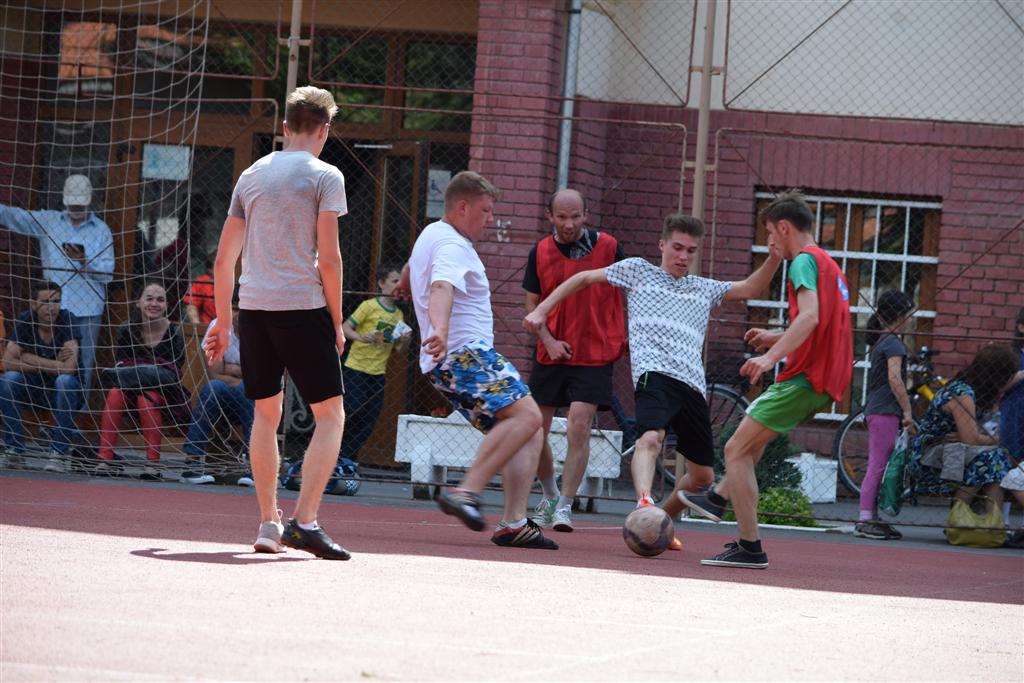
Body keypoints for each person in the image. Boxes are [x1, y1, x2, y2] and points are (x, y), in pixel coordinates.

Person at [524, 213, 782, 549]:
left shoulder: (703, 288)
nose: (683, 256)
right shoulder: (638, 271)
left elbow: (750, 287)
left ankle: (660, 522)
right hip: (654, 374)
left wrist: (774, 257)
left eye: (691, 251)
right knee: (650, 439)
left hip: (692, 385)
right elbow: (584, 277)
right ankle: (644, 504)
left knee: (702, 478)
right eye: (677, 247)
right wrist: (542, 309)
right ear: (662, 245)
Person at [204, 85, 350, 560]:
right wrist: (336, 320)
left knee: (265, 415)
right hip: (301, 307)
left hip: (254, 309)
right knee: (331, 415)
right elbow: (329, 258)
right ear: (324, 130)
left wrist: (223, 322)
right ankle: (304, 522)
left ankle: (270, 522)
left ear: (285, 127)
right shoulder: (326, 175)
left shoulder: (251, 175)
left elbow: (224, 260)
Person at [678, 190, 853, 569]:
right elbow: (820, 324)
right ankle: (718, 498)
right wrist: (776, 337)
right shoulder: (828, 264)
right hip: (824, 379)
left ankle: (749, 547)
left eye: (771, 233)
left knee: (735, 449)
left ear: (784, 228)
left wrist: (769, 357)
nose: (770, 240)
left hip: (806, 378)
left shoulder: (803, 262)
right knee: (749, 444)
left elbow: (810, 318)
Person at [400, 170, 557, 550]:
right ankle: (466, 491)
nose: (491, 218)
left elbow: (413, 270)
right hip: (464, 354)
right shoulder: (453, 244)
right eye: (485, 211)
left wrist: (407, 283)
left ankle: (513, 523)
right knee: (529, 416)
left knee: (528, 429)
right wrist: (439, 329)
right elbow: (441, 286)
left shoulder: (431, 234)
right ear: (462, 207)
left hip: (449, 361)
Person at [522, 189, 626, 533]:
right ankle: (550, 495)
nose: (569, 224)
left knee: (578, 425)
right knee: (535, 428)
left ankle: (566, 505)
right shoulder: (540, 251)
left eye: (575, 216)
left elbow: (632, 289)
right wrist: (549, 341)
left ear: (586, 215)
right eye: (562, 217)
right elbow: (532, 305)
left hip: (595, 351)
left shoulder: (609, 247)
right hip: (551, 351)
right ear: (550, 217)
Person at [0, 174, 115, 396]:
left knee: (83, 364)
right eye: (73, 203)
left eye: (80, 204)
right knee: (49, 359)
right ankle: (48, 409)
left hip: (87, 309)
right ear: (64, 200)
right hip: (52, 307)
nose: (76, 207)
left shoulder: (102, 230)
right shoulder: (49, 221)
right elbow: (15, 217)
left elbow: (108, 274)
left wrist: (84, 260)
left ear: (90, 200)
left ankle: (79, 412)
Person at [906, 345, 1017, 515]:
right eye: (1007, 377)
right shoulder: (963, 393)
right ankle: (959, 517)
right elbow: (971, 439)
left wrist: (981, 437)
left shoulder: (981, 392)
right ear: (997, 376)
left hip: (956, 451)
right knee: (994, 458)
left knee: (997, 461)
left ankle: (993, 523)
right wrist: (997, 440)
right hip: (929, 455)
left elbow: (976, 435)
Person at [96, 282, 188, 480]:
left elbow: (173, 373)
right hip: (129, 389)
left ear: (167, 305)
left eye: (160, 300)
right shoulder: (126, 329)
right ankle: (105, 458)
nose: (154, 304)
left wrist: (141, 371)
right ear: (138, 302)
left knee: (147, 398)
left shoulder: (174, 332)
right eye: (149, 298)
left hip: (162, 394)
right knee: (115, 393)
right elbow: (121, 365)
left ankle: (152, 464)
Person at [0, 281, 83, 472]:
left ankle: (58, 453)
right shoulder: (26, 319)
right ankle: (14, 451)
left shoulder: (68, 319)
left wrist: (26, 356)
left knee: (64, 381)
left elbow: (68, 370)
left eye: (56, 301)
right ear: (33, 304)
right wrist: (52, 363)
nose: (51, 307)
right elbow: (7, 362)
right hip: (34, 387)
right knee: (8, 379)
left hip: (65, 391)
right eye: (45, 302)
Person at [854, 290, 915, 541]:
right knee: (878, 465)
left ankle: (872, 516)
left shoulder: (885, 340)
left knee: (880, 465)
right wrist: (907, 410)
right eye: (909, 314)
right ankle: (864, 519)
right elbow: (894, 379)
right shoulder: (893, 344)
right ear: (900, 316)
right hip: (884, 411)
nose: (912, 319)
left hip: (880, 410)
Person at [180, 286, 254, 486]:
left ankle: (253, 467)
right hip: (223, 399)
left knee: (249, 392)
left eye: (244, 308)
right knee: (213, 387)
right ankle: (192, 462)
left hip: (254, 400)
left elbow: (260, 377)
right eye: (234, 308)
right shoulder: (218, 326)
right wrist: (243, 374)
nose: (238, 314)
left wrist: (230, 369)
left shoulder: (262, 330)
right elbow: (214, 373)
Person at [339, 264, 410, 464]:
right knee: (352, 410)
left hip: (378, 372)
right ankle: (334, 452)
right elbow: (345, 328)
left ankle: (348, 459)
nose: (399, 285)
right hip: (356, 368)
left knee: (369, 419)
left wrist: (405, 340)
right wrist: (361, 337)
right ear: (381, 283)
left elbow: (399, 348)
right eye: (395, 281)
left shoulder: (398, 315)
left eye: (401, 281)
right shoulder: (369, 306)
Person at [183, 254, 217, 325]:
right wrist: (198, 327)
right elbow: (192, 305)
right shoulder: (202, 282)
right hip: (208, 326)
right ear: (210, 270)